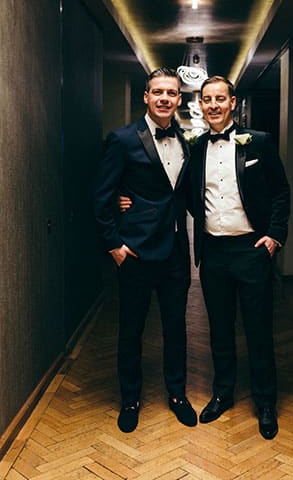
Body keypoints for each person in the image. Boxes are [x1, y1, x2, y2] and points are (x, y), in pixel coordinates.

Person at [93, 67, 197, 433]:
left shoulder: (186, 140)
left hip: (175, 253)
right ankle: (131, 399)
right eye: (158, 92)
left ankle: (177, 395)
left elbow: (181, 193)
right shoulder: (122, 140)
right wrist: (114, 245)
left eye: (171, 92)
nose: (165, 98)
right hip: (134, 251)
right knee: (131, 330)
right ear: (146, 96)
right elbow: (102, 197)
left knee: (176, 328)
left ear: (179, 98)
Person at [190, 75, 290, 439]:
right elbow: (180, 191)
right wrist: (127, 201)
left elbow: (280, 191)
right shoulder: (197, 146)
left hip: (252, 250)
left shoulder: (259, 142)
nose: (213, 105)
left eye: (220, 98)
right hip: (213, 251)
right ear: (200, 105)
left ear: (233, 102)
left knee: (258, 329)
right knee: (219, 330)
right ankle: (222, 393)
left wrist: (275, 236)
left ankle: (265, 402)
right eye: (207, 99)